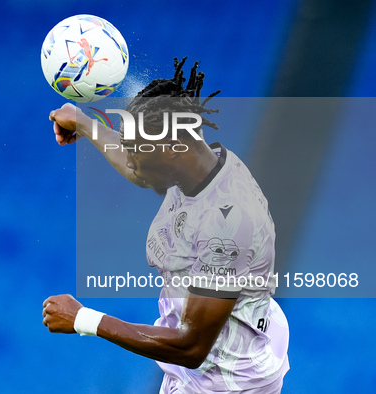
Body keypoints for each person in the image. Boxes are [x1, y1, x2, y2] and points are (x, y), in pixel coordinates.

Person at [42, 57, 289, 393]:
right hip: (222, 348)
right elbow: (139, 167)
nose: (131, 164)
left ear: (172, 150)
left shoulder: (228, 223)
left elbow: (190, 347)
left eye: (138, 155)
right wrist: (84, 123)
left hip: (221, 382)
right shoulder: (196, 160)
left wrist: (84, 319)